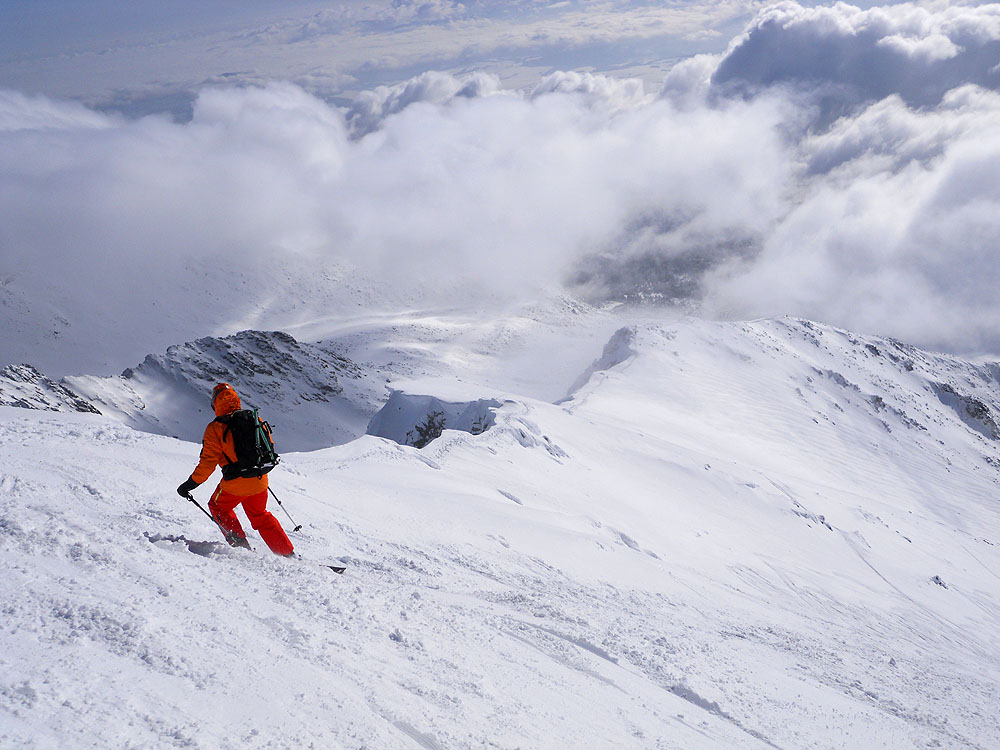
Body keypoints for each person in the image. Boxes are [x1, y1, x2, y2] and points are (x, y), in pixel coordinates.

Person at [176, 382, 294, 556]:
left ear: (215, 403)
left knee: (217, 507)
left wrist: (190, 485)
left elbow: (207, 463)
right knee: (260, 515)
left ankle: (241, 548)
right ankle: (287, 554)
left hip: (236, 483)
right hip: (260, 479)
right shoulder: (254, 419)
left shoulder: (215, 428)